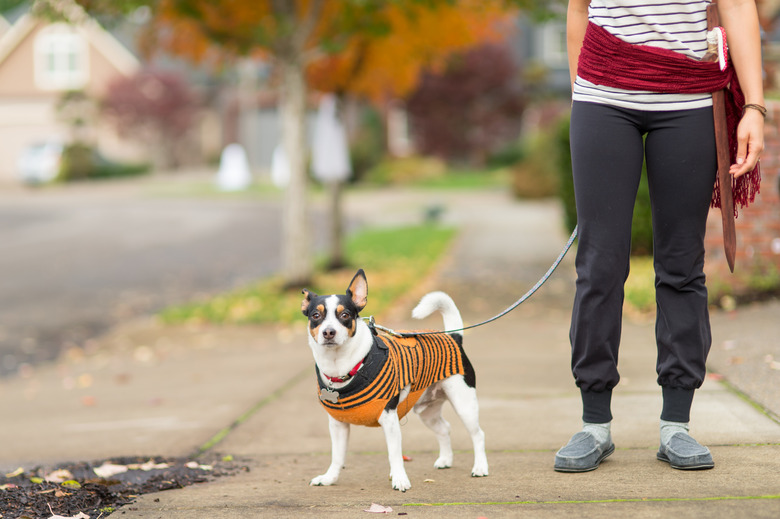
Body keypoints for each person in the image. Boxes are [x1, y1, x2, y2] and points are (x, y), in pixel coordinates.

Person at [557, 0, 765, 472]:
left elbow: (737, 6)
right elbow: (577, 11)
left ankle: (676, 424)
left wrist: (754, 106)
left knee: (681, 262)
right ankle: (594, 424)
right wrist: (582, 97)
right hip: (603, 96)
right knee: (599, 264)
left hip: (688, 98)